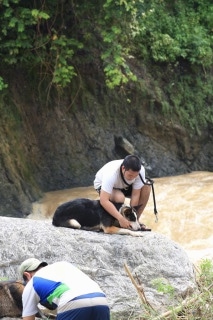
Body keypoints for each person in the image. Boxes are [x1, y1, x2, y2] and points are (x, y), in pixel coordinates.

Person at [19, 258, 110, 320]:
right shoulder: (63, 266)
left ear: (27, 275)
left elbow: (28, 318)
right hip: (101, 300)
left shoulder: (32, 283)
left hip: (74, 302)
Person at [94, 154, 151, 229]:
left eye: (135, 176)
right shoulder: (111, 174)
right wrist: (120, 218)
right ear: (123, 168)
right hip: (104, 185)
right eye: (130, 175)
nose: (133, 178)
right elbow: (104, 201)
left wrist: (134, 219)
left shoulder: (140, 171)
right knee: (119, 198)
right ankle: (117, 220)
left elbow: (135, 195)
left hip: (125, 186)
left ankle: (136, 220)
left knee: (147, 186)